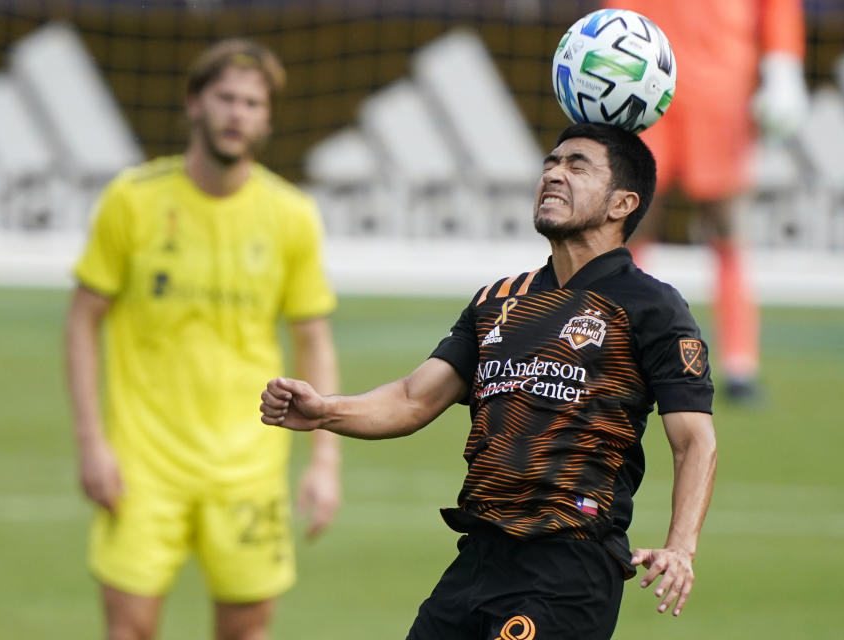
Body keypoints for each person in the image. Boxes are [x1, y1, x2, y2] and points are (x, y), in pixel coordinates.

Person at [260, 122, 717, 639]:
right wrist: (326, 411)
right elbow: (413, 399)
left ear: (621, 204)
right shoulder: (498, 300)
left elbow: (694, 440)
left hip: (568, 567)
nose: (553, 173)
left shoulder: (651, 305)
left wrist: (681, 547)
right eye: (551, 162)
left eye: (576, 165)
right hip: (477, 559)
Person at [65, 39, 341, 640]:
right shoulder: (132, 200)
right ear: (195, 103)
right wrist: (92, 442)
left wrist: (325, 459)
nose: (237, 113)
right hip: (142, 465)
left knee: (245, 633)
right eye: (225, 98)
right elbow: (83, 318)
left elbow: (312, 337)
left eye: (251, 102)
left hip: (248, 468)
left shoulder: (290, 215)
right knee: (127, 632)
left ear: (267, 118)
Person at [603, 0, 810, 400]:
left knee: (727, 225)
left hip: (721, 84)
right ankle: (614, 351)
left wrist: (784, 64)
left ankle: (740, 365)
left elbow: (778, 7)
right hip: (645, 77)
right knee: (631, 217)